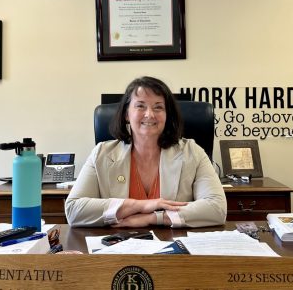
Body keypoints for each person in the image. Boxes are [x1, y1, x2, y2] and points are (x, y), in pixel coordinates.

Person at [65, 76, 227, 228]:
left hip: (175, 249)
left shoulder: (192, 152)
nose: (149, 114)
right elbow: (73, 210)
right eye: (140, 106)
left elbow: (217, 208)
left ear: (167, 115)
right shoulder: (102, 153)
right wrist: (140, 205)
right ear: (127, 114)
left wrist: (153, 218)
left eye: (158, 107)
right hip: (117, 247)